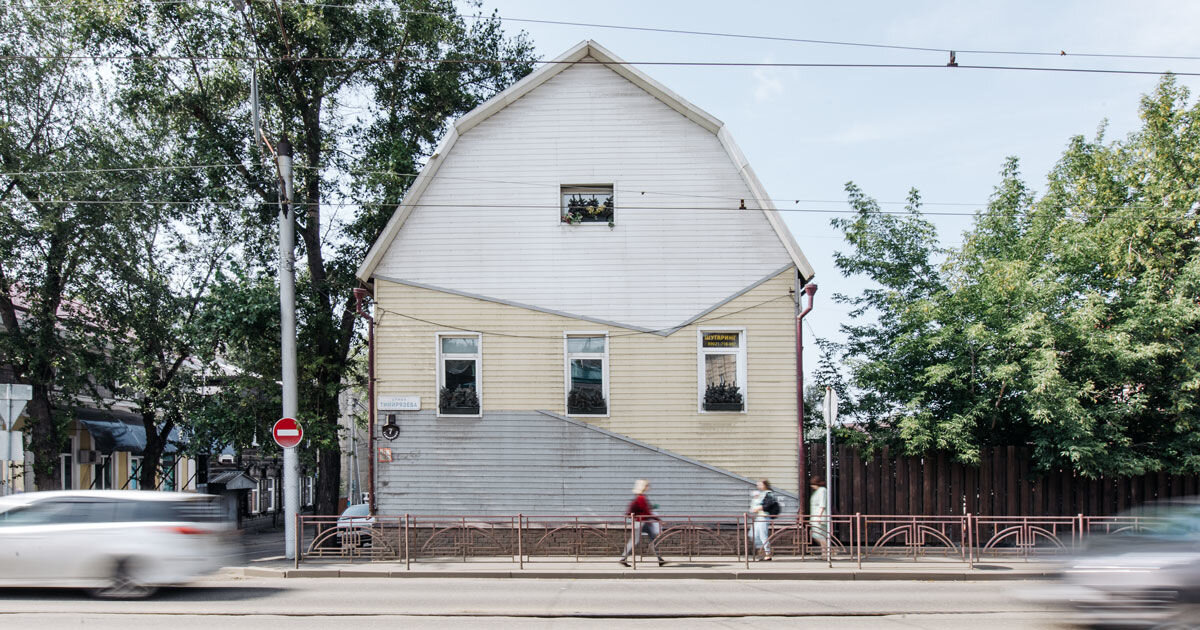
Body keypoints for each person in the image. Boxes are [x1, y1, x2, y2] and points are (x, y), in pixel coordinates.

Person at [618, 479, 666, 567]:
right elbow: (647, 512)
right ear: (643, 487)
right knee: (635, 541)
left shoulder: (639, 497)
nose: (649, 487)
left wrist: (651, 508)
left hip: (643, 522)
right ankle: (623, 558)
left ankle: (660, 559)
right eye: (647, 486)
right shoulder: (641, 498)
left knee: (653, 540)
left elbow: (644, 510)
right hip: (641, 523)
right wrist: (658, 520)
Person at [749, 479, 776, 561]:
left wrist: (758, 508)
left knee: (763, 536)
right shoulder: (762, 494)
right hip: (759, 517)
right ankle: (761, 552)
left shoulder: (769, 493)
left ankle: (767, 554)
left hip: (764, 517)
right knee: (753, 534)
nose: (758, 486)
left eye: (760, 484)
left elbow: (768, 504)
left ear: (765, 485)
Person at [809, 476, 829, 552]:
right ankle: (825, 552)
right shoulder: (817, 491)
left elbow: (822, 504)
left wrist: (819, 516)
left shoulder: (822, 490)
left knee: (818, 535)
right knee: (819, 535)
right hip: (815, 517)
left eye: (812, 484)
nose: (811, 486)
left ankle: (830, 551)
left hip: (819, 517)